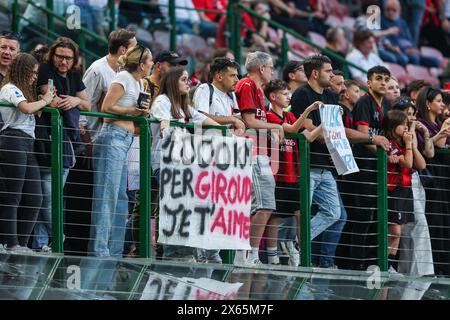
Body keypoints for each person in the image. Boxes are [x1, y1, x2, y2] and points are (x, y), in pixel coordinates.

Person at [88, 44, 153, 257]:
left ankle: (113, 249)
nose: (152, 64)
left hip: (125, 139)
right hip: (112, 138)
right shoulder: (123, 77)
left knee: (120, 199)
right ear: (142, 64)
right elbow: (106, 108)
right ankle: (99, 249)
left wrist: (141, 115)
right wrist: (132, 111)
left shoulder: (138, 82)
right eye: (150, 61)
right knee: (106, 197)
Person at [149, 67, 220, 261]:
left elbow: (204, 119)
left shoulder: (183, 106)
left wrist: (230, 124)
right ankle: (173, 254)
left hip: (182, 164)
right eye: (183, 79)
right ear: (173, 82)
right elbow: (163, 122)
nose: (188, 83)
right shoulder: (162, 101)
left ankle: (177, 252)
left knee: (183, 206)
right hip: (164, 162)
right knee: (174, 207)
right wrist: (166, 126)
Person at [33, 37, 91, 251]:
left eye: (68, 58)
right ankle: (57, 234)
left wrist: (76, 101)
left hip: (66, 143)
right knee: (48, 197)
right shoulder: (45, 69)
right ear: (52, 55)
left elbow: (86, 103)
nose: (63, 62)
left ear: (74, 59)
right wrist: (67, 102)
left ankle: (41, 244)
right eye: (60, 57)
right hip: (47, 140)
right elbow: (51, 99)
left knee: (53, 196)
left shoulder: (75, 76)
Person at [0, 53, 54, 253]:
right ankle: (10, 243)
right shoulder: (10, 88)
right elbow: (25, 109)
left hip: (27, 143)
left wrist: (46, 98)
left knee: (34, 197)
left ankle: (21, 243)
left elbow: (35, 110)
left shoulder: (23, 90)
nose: (34, 78)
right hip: (12, 140)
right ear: (22, 71)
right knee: (12, 195)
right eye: (32, 73)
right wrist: (45, 100)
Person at [192, 57, 245, 263]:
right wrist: (231, 120)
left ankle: (212, 251)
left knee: (219, 205)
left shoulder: (232, 96)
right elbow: (200, 115)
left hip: (225, 156)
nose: (236, 79)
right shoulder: (205, 90)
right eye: (232, 75)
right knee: (204, 204)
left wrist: (235, 122)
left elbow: (239, 120)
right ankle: (199, 252)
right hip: (205, 155)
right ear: (219, 75)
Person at [264, 79, 323, 266]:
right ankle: (272, 256)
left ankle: (301, 253)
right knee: (276, 216)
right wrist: (307, 110)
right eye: (285, 93)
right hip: (278, 174)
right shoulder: (268, 116)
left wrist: (326, 123)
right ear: (273, 97)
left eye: (289, 93)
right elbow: (291, 130)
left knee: (300, 214)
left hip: (294, 174)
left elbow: (308, 137)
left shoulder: (290, 116)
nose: (289, 96)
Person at [234, 51, 284, 265]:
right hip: (251, 153)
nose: (273, 71)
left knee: (262, 206)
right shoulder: (246, 85)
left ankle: (249, 253)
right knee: (264, 206)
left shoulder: (257, 90)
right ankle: (250, 253)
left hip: (259, 152)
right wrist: (275, 126)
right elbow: (250, 121)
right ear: (261, 69)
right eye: (271, 67)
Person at [350, 65, 392, 269]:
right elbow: (365, 137)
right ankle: (356, 264)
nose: (383, 82)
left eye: (386, 79)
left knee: (376, 215)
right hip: (363, 168)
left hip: (377, 168)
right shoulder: (365, 102)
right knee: (363, 216)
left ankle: (370, 263)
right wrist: (385, 153)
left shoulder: (385, 106)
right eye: (379, 78)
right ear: (369, 83)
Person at [391, 97, 435, 276]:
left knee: (415, 224)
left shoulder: (411, 133)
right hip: (399, 185)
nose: (410, 118)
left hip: (414, 180)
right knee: (406, 226)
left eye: (412, 114)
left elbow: (424, 160)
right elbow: (409, 162)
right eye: (406, 115)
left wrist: (423, 134)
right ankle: (412, 269)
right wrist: (409, 140)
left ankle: (420, 270)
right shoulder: (395, 137)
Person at [383, 109, 425, 273]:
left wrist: (412, 144)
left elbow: (421, 165)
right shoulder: (390, 144)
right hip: (393, 190)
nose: (406, 128)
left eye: (407, 124)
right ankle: (384, 265)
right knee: (394, 231)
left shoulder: (405, 143)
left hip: (405, 191)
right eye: (402, 125)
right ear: (393, 127)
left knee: (398, 233)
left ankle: (390, 266)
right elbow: (407, 163)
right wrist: (408, 145)